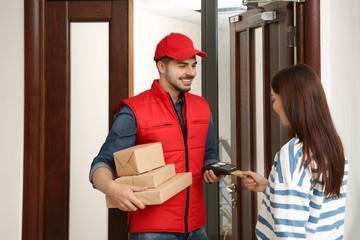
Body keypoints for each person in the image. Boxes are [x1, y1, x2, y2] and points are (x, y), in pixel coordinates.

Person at [89, 32, 225, 240]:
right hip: (152, 231)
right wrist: (112, 189)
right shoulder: (134, 110)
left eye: (193, 65)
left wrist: (213, 168)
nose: (191, 72)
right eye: (182, 65)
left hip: (196, 227)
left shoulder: (202, 107)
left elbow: (209, 154)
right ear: (162, 67)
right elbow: (102, 163)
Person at [242, 64, 348, 240]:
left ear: (291, 101)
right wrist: (270, 185)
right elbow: (313, 199)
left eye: (274, 98)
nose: (274, 106)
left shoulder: (293, 154)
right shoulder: (334, 147)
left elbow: (289, 232)